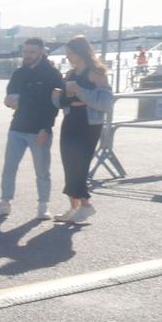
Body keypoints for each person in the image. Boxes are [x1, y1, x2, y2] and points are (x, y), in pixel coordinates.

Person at [0, 37, 61, 219]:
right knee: (9, 167)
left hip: (39, 130)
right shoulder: (19, 73)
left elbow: (53, 106)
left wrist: (45, 129)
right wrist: (8, 102)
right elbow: (11, 98)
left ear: (41, 53)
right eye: (25, 52)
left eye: (32, 52)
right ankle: (5, 202)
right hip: (17, 127)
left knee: (42, 170)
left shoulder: (52, 74)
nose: (27, 55)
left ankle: (43, 206)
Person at [54, 36, 114, 226]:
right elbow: (63, 101)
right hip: (70, 121)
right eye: (67, 53)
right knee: (68, 163)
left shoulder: (95, 73)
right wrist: (57, 96)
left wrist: (78, 91)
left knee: (79, 165)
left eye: (71, 53)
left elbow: (104, 103)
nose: (68, 57)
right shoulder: (70, 74)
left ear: (81, 52)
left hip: (89, 124)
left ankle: (86, 206)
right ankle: (74, 207)